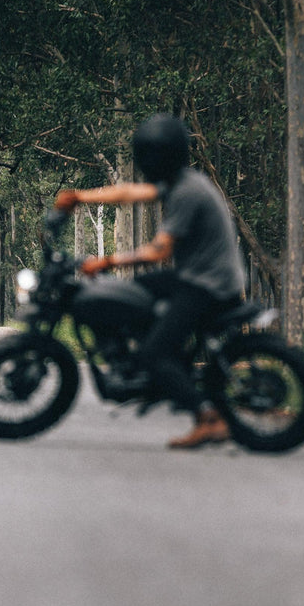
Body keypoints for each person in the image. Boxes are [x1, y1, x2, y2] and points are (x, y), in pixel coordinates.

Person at [53, 113, 245, 449]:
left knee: (155, 353)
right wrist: (81, 197)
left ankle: (207, 417)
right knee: (131, 293)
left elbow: (159, 251)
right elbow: (130, 193)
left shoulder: (187, 192)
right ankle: (140, 357)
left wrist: (108, 261)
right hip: (196, 276)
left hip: (207, 285)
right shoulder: (180, 181)